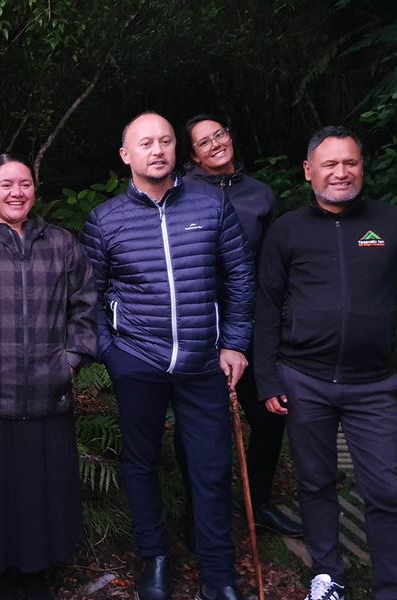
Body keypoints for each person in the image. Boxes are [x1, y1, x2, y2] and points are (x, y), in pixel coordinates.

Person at [255, 126, 397, 600]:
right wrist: (266, 377)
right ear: (308, 171)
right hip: (304, 380)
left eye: (350, 163)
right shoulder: (287, 230)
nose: (341, 173)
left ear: (363, 166)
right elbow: (265, 306)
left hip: (373, 385)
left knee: (386, 490)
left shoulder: (396, 224)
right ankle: (328, 574)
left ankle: (396, 588)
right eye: (329, 164)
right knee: (316, 481)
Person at [81, 112, 254, 600]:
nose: (157, 150)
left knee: (211, 466)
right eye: (145, 143)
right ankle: (154, 558)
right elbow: (88, 295)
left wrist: (235, 342)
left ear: (177, 149)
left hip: (203, 362)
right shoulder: (105, 219)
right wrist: (111, 353)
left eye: (165, 141)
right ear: (126, 155)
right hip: (138, 361)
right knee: (140, 463)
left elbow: (240, 275)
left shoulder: (211, 204)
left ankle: (218, 574)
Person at [0, 155, 96, 600]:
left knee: (38, 492)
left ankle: (36, 577)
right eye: (6, 184)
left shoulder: (63, 244)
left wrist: (68, 362)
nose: (16, 193)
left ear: (35, 190)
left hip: (48, 394)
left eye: (25, 184)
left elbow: (85, 308)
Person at [172, 114, 302, 538]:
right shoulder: (182, 193)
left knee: (268, 417)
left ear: (231, 136)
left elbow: (272, 263)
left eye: (220, 135)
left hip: (251, 323)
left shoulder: (261, 194)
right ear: (193, 155)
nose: (215, 145)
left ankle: (257, 502)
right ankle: (197, 512)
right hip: (199, 324)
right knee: (200, 423)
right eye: (204, 142)